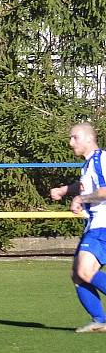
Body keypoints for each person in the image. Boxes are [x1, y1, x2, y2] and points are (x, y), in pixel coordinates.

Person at [51, 122, 106, 332]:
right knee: (77, 274)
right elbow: (86, 186)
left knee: (84, 270)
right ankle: (100, 321)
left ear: (89, 139)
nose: (70, 142)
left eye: (75, 137)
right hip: (94, 226)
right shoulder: (88, 164)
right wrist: (65, 190)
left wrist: (81, 199)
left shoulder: (102, 159)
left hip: (103, 225)